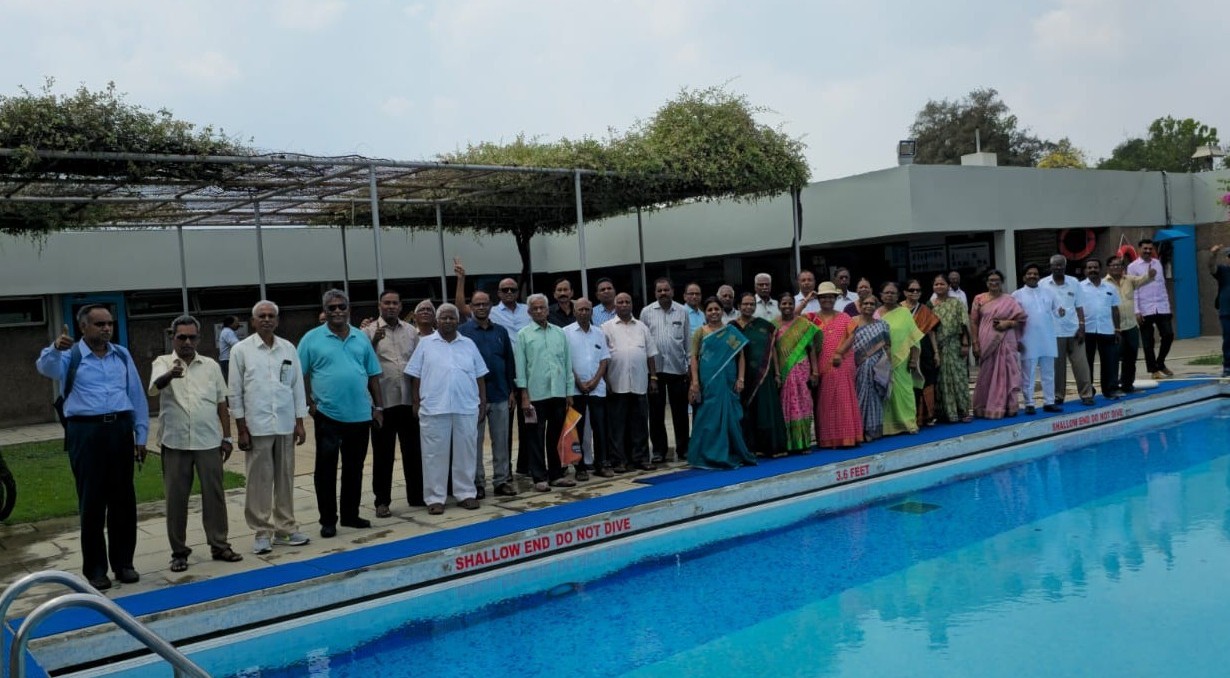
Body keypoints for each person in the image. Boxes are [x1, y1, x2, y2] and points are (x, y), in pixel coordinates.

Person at [37, 305, 148, 590]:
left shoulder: (121, 355)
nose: (106, 328)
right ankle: (96, 569)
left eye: (109, 323)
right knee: (92, 501)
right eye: (99, 324)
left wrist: (141, 435)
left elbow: (135, 394)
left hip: (120, 429)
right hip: (86, 432)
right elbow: (45, 368)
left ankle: (124, 563)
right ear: (83, 327)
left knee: (123, 500)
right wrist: (54, 348)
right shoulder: (70, 355)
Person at [148, 315, 242, 572]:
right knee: (176, 499)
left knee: (214, 496)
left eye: (192, 337)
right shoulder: (163, 362)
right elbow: (155, 387)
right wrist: (170, 374)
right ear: (172, 338)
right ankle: (179, 552)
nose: (187, 341)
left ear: (199, 338)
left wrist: (227, 436)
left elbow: (222, 403)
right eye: (181, 337)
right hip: (175, 443)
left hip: (208, 441)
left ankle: (219, 544)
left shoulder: (210, 365)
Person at [298, 289, 384, 538]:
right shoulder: (311, 339)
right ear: (324, 312)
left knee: (354, 468)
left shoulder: (360, 338)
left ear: (349, 309)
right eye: (332, 307)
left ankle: (350, 514)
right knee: (325, 471)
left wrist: (378, 407)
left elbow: (373, 375)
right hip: (328, 416)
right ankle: (328, 520)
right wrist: (309, 405)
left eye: (342, 307)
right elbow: (298, 374)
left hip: (360, 416)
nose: (337, 311)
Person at [230, 300, 310, 555]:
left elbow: (297, 387)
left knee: (285, 478)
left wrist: (300, 422)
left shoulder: (288, 348)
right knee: (259, 481)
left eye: (271, 315)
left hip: (285, 424)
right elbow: (235, 392)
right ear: (253, 321)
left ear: (277, 320)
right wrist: (241, 428)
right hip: (257, 426)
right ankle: (262, 531)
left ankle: (286, 528)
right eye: (261, 316)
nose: (266, 319)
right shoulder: (241, 350)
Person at [407, 304, 487, 515]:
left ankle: (466, 493)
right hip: (434, 407)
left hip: (466, 406)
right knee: (434, 455)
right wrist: (416, 402)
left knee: (466, 452)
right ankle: (435, 498)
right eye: (444, 318)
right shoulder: (425, 344)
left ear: (458, 320)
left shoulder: (468, 344)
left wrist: (482, 403)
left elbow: (480, 376)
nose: (449, 321)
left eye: (452, 318)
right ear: (437, 321)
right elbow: (415, 377)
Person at [362, 290, 423, 514]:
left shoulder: (411, 331)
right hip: (382, 404)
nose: (390, 306)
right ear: (379, 305)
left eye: (394, 303)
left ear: (400, 306)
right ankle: (382, 502)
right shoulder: (367, 332)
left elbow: (418, 365)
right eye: (386, 303)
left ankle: (417, 496)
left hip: (408, 401)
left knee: (413, 452)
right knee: (383, 455)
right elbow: (363, 364)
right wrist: (373, 341)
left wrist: (418, 399)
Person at [458, 290, 518, 497]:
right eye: (477, 304)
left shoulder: (500, 331)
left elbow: (509, 362)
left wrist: (512, 390)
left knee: (501, 441)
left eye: (485, 304)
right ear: (471, 307)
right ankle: (478, 483)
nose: (481, 307)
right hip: (473, 398)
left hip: (501, 393)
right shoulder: (463, 332)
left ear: (491, 306)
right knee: (474, 442)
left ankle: (501, 481)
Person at [515, 294, 575, 491]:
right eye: (535, 308)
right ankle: (539, 477)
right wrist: (524, 394)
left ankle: (556, 474)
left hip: (558, 393)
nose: (539, 311)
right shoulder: (523, 335)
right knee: (535, 437)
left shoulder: (559, 333)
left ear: (548, 310)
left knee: (556, 436)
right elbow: (521, 367)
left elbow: (567, 364)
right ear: (529, 312)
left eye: (542, 308)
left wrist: (569, 392)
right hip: (535, 395)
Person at [688, 297, 756, 469]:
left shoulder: (730, 332)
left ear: (721, 311)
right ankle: (707, 455)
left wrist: (741, 378)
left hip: (728, 380)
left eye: (716, 309)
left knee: (731, 417)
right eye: (710, 310)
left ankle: (730, 452)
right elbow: (694, 358)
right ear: (705, 312)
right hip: (709, 380)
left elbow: (740, 356)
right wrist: (695, 382)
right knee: (708, 417)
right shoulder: (700, 332)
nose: (713, 312)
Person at [603, 292, 658, 472]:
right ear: (615, 305)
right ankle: (619, 461)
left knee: (640, 424)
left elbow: (650, 354)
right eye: (621, 302)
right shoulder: (606, 327)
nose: (624, 305)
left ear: (632, 304)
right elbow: (602, 358)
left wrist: (653, 377)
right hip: (616, 384)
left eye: (627, 301)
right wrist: (605, 381)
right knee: (617, 427)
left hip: (640, 383)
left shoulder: (642, 327)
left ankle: (641, 458)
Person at [641, 277, 691, 463]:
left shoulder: (682, 311)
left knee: (680, 413)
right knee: (656, 413)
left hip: (678, 370)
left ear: (672, 291)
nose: (663, 293)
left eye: (666, 290)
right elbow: (644, 343)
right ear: (655, 293)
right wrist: (649, 373)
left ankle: (683, 448)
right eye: (659, 290)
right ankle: (659, 451)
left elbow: (687, 342)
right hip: (655, 372)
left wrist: (689, 369)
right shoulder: (646, 312)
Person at [732, 292, 788, 456]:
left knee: (765, 410)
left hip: (764, 375)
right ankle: (751, 446)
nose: (748, 307)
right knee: (747, 412)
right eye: (745, 304)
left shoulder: (764, 325)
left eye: (751, 304)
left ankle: (770, 446)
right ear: (738, 306)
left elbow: (773, 350)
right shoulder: (732, 327)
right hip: (741, 376)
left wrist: (777, 373)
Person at [809, 282, 862, 447]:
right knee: (826, 402)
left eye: (830, 297)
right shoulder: (811, 319)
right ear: (818, 299)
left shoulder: (844, 317)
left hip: (842, 363)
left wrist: (839, 352)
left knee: (844, 399)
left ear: (835, 298)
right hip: (822, 365)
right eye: (823, 297)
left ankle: (847, 437)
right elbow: (792, 321)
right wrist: (804, 302)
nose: (827, 300)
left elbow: (852, 335)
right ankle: (828, 439)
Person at [970, 270, 1027, 419]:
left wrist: (1006, 323)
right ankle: (985, 407)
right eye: (991, 280)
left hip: (1006, 341)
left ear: (1001, 282)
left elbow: (1020, 320)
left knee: (1006, 372)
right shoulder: (979, 299)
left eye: (997, 280)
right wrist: (975, 343)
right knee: (987, 374)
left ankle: (1007, 406)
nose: (994, 283)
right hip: (987, 341)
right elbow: (974, 322)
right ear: (986, 282)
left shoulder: (1009, 299)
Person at [565, 298, 611, 478]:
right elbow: (566, 361)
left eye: (587, 309)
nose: (583, 312)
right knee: (578, 431)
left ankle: (602, 464)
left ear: (592, 312)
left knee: (600, 428)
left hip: (597, 388)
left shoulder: (599, 333)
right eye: (580, 309)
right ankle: (580, 467)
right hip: (576, 390)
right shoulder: (565, 333)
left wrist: (594, 381)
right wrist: (578, 382)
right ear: (574, 311)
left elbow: (604, 359)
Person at [1042, 254, 1095, 406]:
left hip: (1074, 331)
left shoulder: (1074, 282)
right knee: (1057, 368)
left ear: (1065, 266)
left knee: (1081, 364)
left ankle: (1086, 394)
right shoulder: (1043, 284)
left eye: (1061, 265)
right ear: (1050, 266)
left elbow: (1079, 306)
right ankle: (1058, 396)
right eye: (1055, 265)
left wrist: (1082, 326)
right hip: (1054, 332)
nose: (1058, 268)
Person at [1012, 263, 1063, 414]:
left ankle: (1049, 402)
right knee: (1028, 373)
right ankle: (1029, 403)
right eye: (1029, 274)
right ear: (1023, 277)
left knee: (1048, 372)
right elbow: (1014, 319)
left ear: (1039, 277)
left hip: (1047, 337)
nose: (1032, 276)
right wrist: (1017, 340)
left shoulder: (1049, 293)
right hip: (1028, 339)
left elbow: (1057, 311)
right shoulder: (1017, 295)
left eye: (1035, 274)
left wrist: (1062, 312)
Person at [775, 293, 819, 453]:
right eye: (784, 304)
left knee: (804, 404)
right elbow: (772, 351)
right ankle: (789, 443)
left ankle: (804, 442)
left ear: (794, 305)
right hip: (785, 371)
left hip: (802, 369)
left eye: (790, 304)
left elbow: (812, 348)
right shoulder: (774, 325)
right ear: (779, 305)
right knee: (787, 405)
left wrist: (815, 371)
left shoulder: (803, 324)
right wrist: (778, 373)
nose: (787, 307)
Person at [878, 282, 923, 435]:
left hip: (902, 360)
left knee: (905, 392)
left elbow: (914, 337)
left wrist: (913, 360)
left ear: (898, 296)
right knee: (885, 393)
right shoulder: (876, 314)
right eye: (886, 292)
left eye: (893, 293)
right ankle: (887, 426)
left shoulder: (904, 313)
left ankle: (909, 423)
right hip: (881, 362)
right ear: (881, 295)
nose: (889, 295)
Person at [1127, 238, 1174, 378]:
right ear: (1139, 249)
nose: (1147, 251)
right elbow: (1133, 289)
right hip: (1144, 308)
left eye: (1150, 249)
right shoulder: (1133, 267)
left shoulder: (1157, 263)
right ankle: (1153, 370)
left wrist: (1168, 306)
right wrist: (1136, 310)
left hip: (1161, 306)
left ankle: (1160, 363)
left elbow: (1162, 285)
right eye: (1145, 248)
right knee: (1148, 341)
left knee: (1168, 335)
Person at [1107, 255, 1154, 393]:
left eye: (1119, 265)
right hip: (1115, 328)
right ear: (1108, 268)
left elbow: (1143, 279)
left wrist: (1150, 275)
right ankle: (1113, 387)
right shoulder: (1104, 283)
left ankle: (1128, 385)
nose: (1116, 267)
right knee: (1114, 359)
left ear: (1123, 267)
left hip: (1131, 326)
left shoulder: (1129, 280)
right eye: (1113, 265)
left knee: (1131, 357)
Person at [930, 274, 972, 423]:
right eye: (936, 284)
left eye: (942, 284)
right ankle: (948, 413)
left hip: (955, 345)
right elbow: (931, 330)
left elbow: (964, 322)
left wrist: (965, 343)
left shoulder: (956, 303)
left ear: (948, 286)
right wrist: (935, 351)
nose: (939, 287)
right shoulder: (931, 305)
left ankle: (963, 411)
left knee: (959, 378)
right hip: (940, 348)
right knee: (943, 381)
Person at [1080, 258, 1123, 399]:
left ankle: (1110, 390)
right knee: (1087, 363)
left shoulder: (1110, 288)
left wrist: (1117, 329)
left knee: (1109, 361)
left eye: (1096, 267)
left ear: (1100, 269)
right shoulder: (1079, 288)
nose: (1093, 270)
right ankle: (1088, 391)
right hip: (1087, 330)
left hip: (1107, 329)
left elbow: (1115, 309)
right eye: (1090, 267)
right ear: (1085, 270)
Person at [850, 296, 891, 441]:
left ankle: (873, 430)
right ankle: (859, 430)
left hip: (877, 368)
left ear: (876, 307)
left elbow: (887, 347)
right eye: (865, 303)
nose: (868, 306)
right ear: (860, 306)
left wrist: (887, 369)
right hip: (858, 368)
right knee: (859, 397)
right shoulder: (852, 323)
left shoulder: (882, 325)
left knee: (875, 398)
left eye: (872, 304)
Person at [902, 279, 940, 427]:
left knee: (927, 381)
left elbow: (931, 332)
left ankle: (928, 416)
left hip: (924, 350)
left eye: (918, 290)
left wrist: (936, 352)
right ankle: (912, 416)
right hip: (905, 351)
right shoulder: (899, 309)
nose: (915, 292)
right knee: (909, 384)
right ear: (905, 292)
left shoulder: (924, 309)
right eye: (912, 290)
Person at [1208, 244, 1230, 377]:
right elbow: (1211, 267)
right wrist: (1213, 254)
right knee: (1228, 339)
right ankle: (1228, 366)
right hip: (1226, 311)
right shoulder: (1222, 270)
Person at [491, 277, 532, 346]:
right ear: (499, 293)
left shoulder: (528, 309)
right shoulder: (491, 312)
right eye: (505, 290)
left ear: (517, 293)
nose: (509, 292)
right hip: (506, 355)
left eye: (513, 290)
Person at [217, 315, 239, 383]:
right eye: (236, 322)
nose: (238, 324)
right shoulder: (228, 332)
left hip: (226, 360)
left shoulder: (226, 331)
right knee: (232, 382)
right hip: (228, 360)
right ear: (230, 323)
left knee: (229, 380)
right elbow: (237, 344)